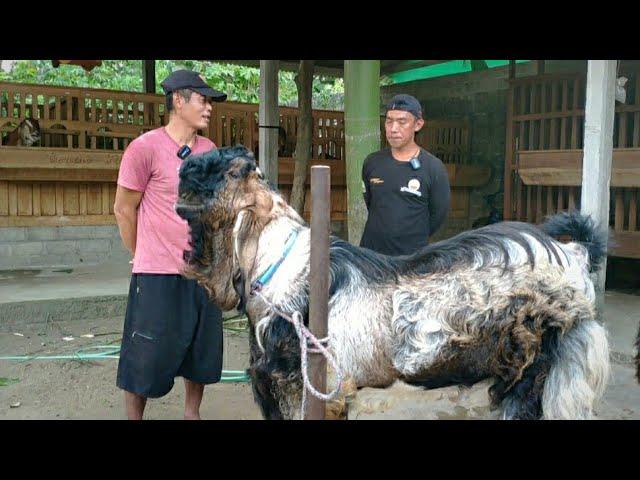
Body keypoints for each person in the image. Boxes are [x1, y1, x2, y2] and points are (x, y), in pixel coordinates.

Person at [113, 69, 227, 420]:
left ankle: (191, 413)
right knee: (144, 355)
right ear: (179, 100)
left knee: (201, 351)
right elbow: (123, 208)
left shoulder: (209, 150)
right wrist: (141, 254)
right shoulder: (144, 148)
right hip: (158, 274)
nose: (209, 108)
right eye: (203, 100)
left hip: (201, 271)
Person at [360, 94, 451, 256]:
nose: (394, 129)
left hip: (412, 259)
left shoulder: (433, 168)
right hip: (371, 256)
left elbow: (438, 215)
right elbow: (371, 202)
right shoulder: (372, 162)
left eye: (402, 122)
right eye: (389, 121)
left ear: (418, 124)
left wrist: (410, 236)